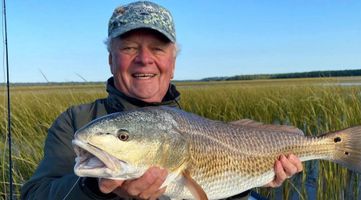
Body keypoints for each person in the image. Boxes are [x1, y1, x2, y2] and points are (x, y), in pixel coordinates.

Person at [21, 1, 303, 199]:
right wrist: (95, 189)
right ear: (111, 60)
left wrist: (254, 179)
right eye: (129, 48)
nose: (144, 59)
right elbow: (35, 195)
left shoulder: (192, 124)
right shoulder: (77, 121)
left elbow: (208, 193)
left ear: (173, 62)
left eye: (157, 48)